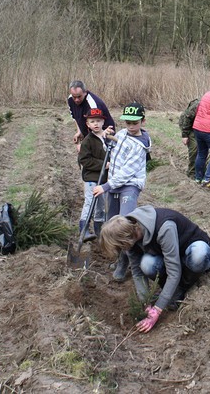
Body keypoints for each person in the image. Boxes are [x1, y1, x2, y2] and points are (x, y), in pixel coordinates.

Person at [98, 206, 210, 333]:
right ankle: (173, 289)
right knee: (147, 264)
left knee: (199, 255)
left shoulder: (164, 227)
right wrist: (146, 303)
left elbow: (174, 271)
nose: (122, 250)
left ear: (125, 239)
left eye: (120, 246)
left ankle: (182, 286)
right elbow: (137, 273)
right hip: (169, 257)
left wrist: (157, 310)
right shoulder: (130, 236)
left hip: (190, 250)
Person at [93, 102, 152, 281]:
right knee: (111, 221)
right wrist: (107, 139)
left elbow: (127, 172)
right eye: (128, 123)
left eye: (135, 123)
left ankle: (126, 263)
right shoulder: (121, 134)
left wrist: (105, 187)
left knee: (125, 225)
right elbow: (111, 151)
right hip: (114, 184)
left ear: (143, 121)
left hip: (129, 186)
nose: (131, 126)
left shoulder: (140, 146)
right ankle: (120, 257)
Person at [77, 108, 110, 240]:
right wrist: (104, 164)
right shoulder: (88, 141)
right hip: (91, 178)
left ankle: (99, 230)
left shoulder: (108, 138)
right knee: (90, 202)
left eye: (98, 121)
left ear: (103, 122)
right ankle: (84, 229)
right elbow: (84, 160)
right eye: (92, 121)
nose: (95, 124)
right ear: (88, 124)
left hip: (104, 179)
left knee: (101, 205)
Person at [67, 80, 114, 152]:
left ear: (85, 92)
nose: (76, 100)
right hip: (90, 133)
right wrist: (79, 132)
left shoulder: (93, 104)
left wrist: (84, 146)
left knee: (101, 159)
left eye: (79, 96)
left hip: (104, 133)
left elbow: (97, 128)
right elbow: (75, 117)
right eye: (74, 97)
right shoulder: (70, 100)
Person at [178, 97, 201, 177]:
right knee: (194, 148)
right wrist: (185, 135)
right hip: (188, 125)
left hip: (200, 126)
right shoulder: (198, 105)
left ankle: (202, 171)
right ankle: (191, 173)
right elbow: (187, 117)